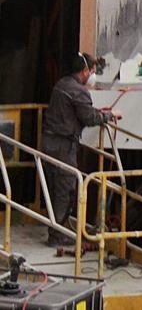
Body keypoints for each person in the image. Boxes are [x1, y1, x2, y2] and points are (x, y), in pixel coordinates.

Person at [42, 52, 121, 246]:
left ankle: (56, 229)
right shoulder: (79, 91)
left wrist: (97, 112)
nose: (92, 75)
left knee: (53, 188)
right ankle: (57, 235)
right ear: (85, 71)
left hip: (48, 143)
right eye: (92, 71)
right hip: (63, 146)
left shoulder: (61, 84)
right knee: (65, 189)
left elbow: (77, 112)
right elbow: (89, 118)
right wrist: (109, 116)